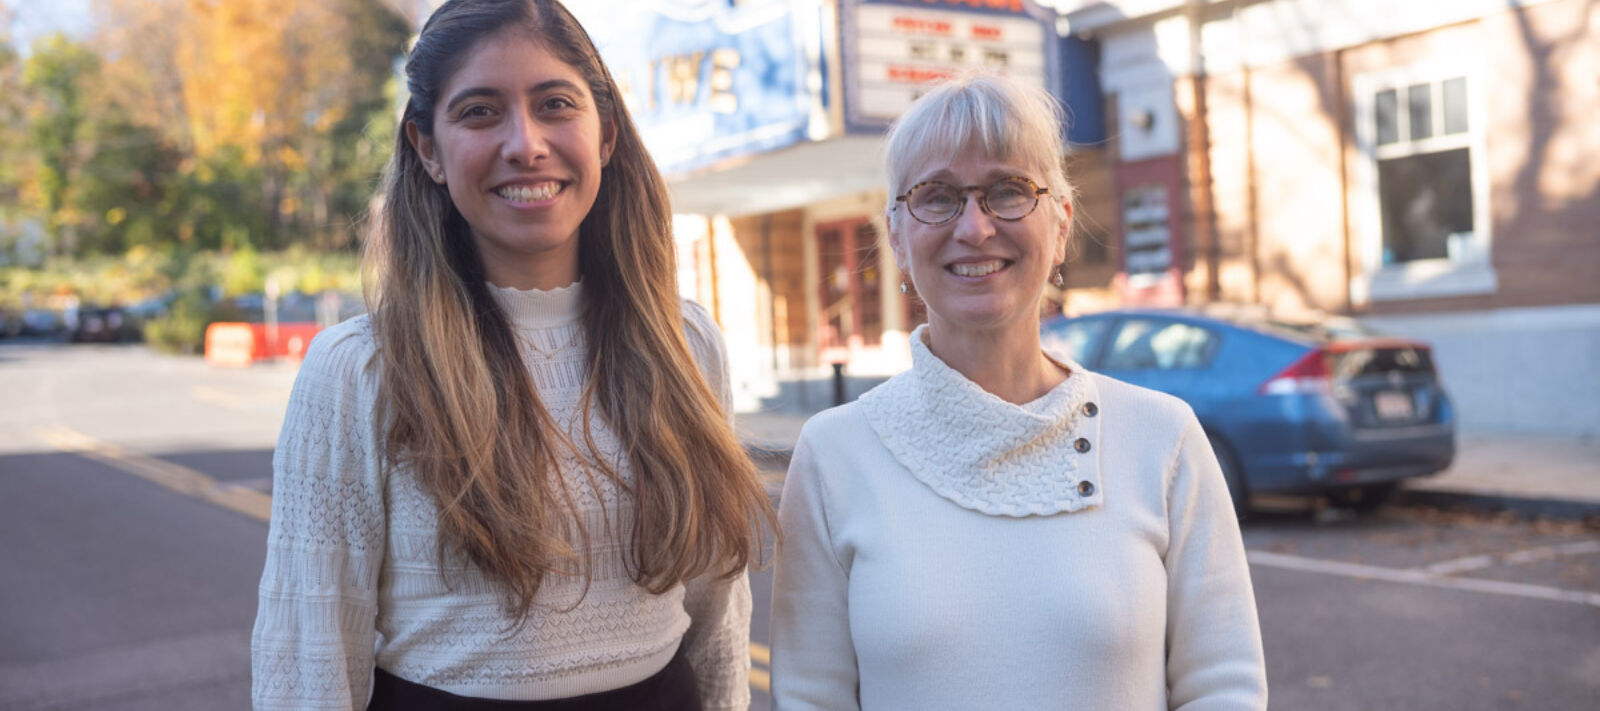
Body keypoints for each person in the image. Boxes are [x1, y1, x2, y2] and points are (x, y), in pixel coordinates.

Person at [251, 1, 773, 709]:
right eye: (480, 112)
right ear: (428, 149)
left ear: (607, 132)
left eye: (556, 103)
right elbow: (307, 660)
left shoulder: (686, 344)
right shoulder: (361, 369)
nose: (526, 143)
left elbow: (718, 616)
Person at [769, 75, 1267, 710]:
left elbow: (1221, 687)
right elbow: (811, 698)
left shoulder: (1161, 438)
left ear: (1060, 223)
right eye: (938, 197)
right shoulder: (834, 453)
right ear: (896, 235)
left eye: (1008, 191)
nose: (975, 228)